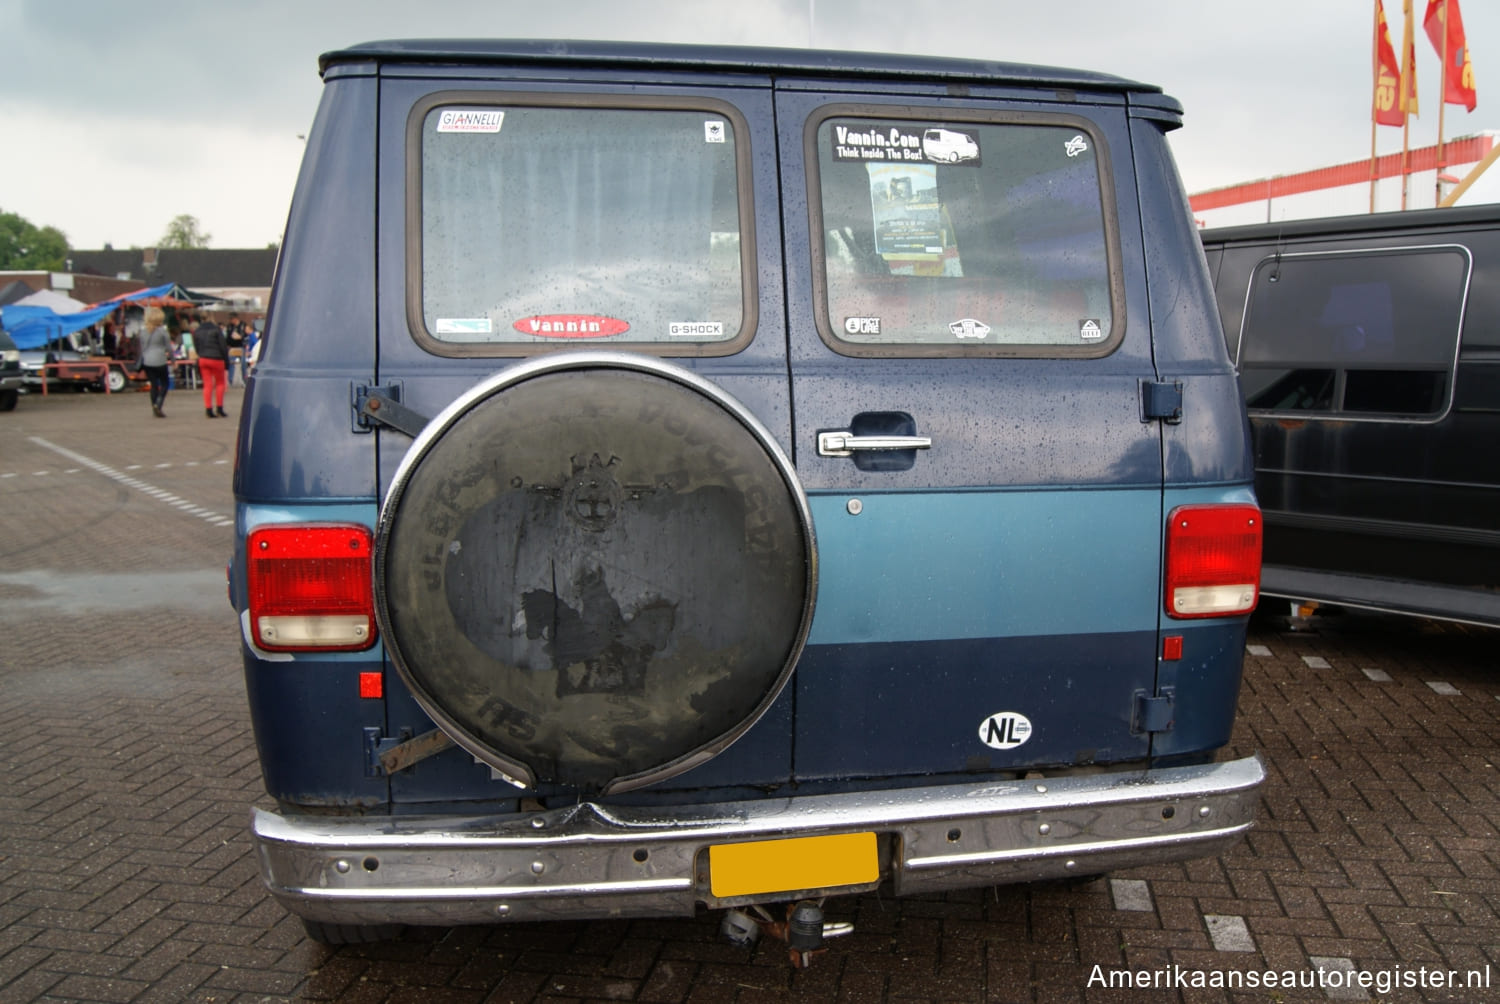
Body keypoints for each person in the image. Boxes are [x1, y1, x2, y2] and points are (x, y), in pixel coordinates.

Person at [138, 307, 173, 418]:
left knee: (154, 385)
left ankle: (154, 407)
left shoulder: (143, 332)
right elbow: (169, 348)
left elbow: (142, 347)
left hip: (147, 360)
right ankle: (158, 404)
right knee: (165, 383)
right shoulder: (162, 331)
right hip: (160, 360)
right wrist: (173, 360)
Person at [194, 313, 230, 418]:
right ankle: (219, 408)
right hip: (216, 359)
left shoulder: (197, 331)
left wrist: (201, 354)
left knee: (207, 384)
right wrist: (226, 362)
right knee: (220, 384)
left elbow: (196, 347)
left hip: (203, 359)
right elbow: (223, 347)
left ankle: (208, 409)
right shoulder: (217, 330)